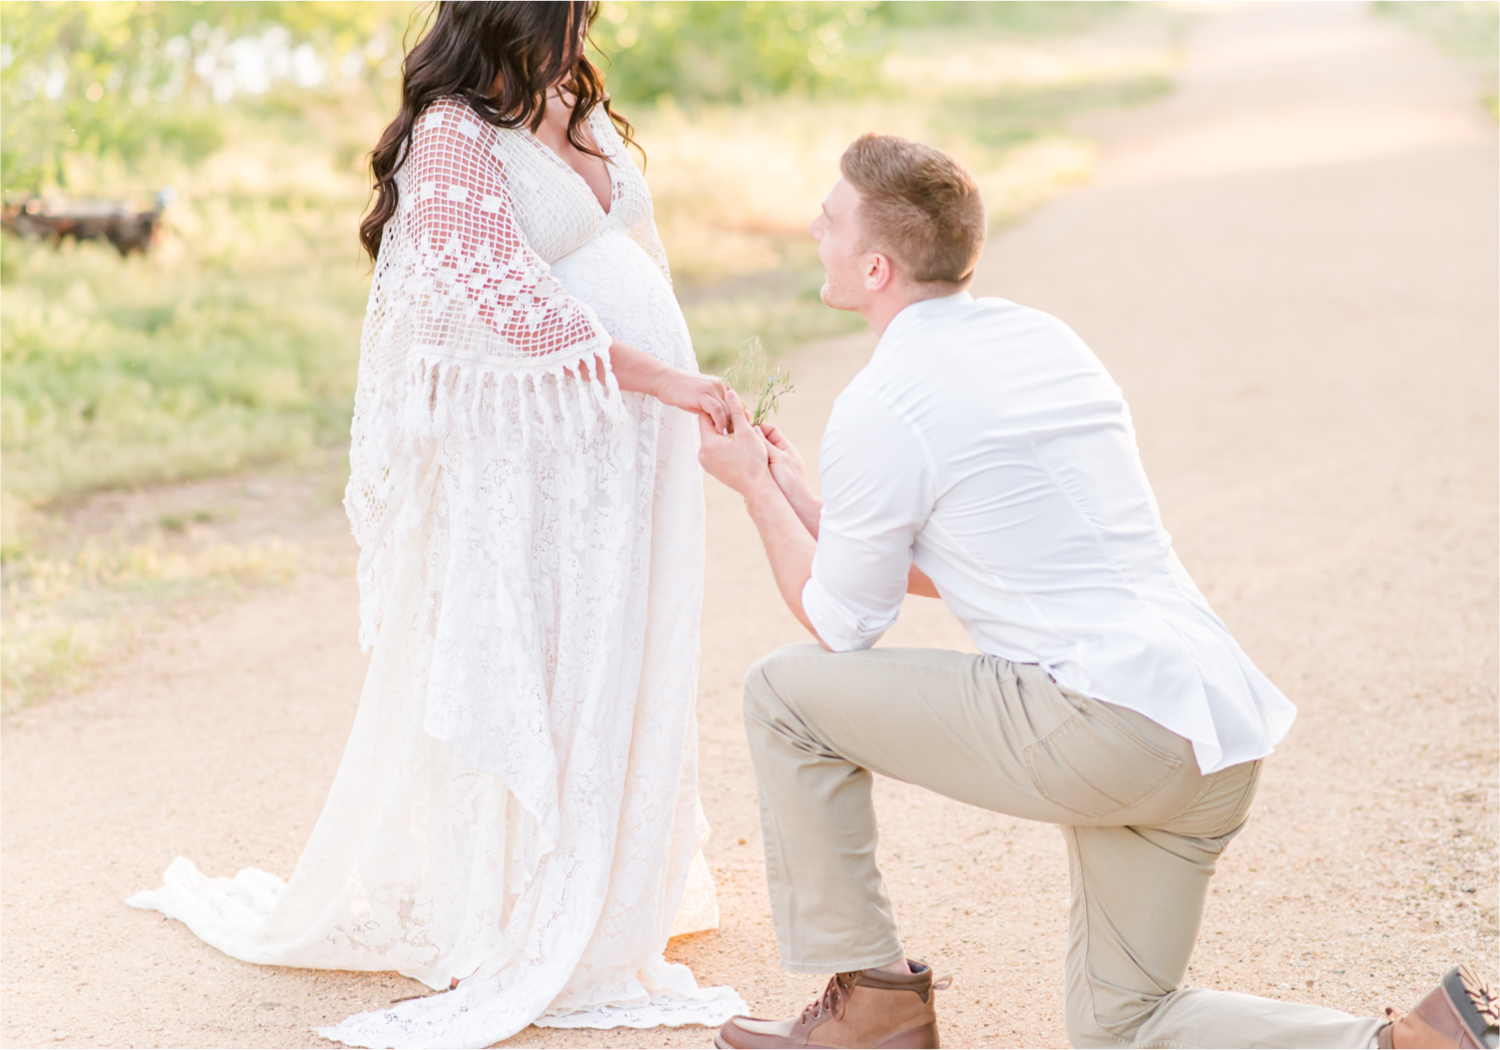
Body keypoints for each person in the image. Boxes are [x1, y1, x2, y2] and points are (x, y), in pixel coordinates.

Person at [696, 133, 1498, 1050]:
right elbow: (989, 554)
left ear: (874, 266)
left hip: (1106, 725)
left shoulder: (883, 402)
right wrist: (806, 500)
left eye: (830, 218)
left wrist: (754, 489)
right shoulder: (1041, 340)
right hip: (1209, 731)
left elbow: (843, 621)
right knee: (1123, 1026)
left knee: (782, 691)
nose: (813, 227)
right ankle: (1406, 1044)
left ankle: (874, 1006)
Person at [129, 4, 747, 1046]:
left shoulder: (567, 101)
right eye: (573, 7)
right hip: (545, 454)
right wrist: (675, 383)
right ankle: (520, 904)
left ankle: (621, 887)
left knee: (627, 647)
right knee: (550, 657)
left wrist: (677, 395)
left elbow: (623, 255)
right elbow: (509, 306)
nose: (586, 21)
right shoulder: (451, 134)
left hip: (631, 446)